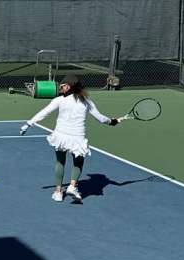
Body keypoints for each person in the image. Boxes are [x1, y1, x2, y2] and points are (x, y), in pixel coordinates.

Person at [20, 74, 118, 202]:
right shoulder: (87, 102)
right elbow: (101, 118)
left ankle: (58, 192)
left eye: (63, 86)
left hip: (61, 136)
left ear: (69, 86)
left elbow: (44, 112)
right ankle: (72, 186)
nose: (61, 88)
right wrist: (112, 121)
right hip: (77, 138)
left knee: (60, 162)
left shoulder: (59, 100)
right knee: (78, 162)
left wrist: (28, 124)